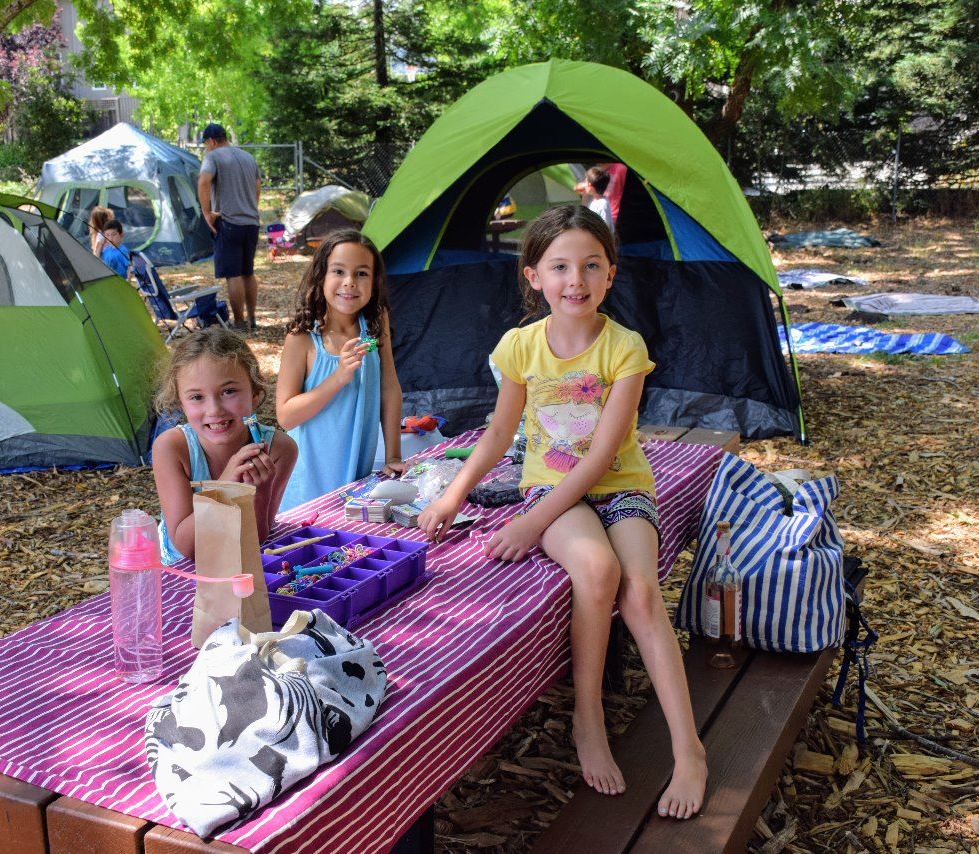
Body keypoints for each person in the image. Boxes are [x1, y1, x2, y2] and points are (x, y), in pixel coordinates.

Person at [417, 206, 707, 817]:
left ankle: (690, 750)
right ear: (534, 277)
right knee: (596, 571)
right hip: (550, 490)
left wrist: (529, 521)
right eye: (560, 267)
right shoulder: (520, 346)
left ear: (610, 276)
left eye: (590, 266)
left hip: (618, 485)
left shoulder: (624, 348)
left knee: (643, 596)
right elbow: (498, 434)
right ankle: (588, 717)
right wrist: (453, 493)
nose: (575, 279)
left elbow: (604, 455)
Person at [276, 229, 406, 512]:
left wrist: (393, 455)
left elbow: (389, 387)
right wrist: (338, 378)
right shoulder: (302, 339)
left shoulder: (373, 322)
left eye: (361, 273)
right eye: (338, 271)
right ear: (321, 275)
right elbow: (286, 417)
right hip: (309, 483)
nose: (349, 283)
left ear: (374, 281)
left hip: (356, 478)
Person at [152, 327, 297, 562]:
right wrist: (225, 487)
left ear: (255, 393)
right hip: (183, 570)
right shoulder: (171, 449)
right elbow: (189, 547)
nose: (215, 410)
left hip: (241, 559)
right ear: (181, 404)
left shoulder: (279, 450)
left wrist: (260, 493)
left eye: (228, 391)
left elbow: (257, 538)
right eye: (197, 397)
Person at [197, 123, 262, 331]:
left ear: (213, 141)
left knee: (233, 275)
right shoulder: (248, 157)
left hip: (229, 222)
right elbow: (257, 184)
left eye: (206, 144)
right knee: (248, 273)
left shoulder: (213, 157)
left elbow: (204, 181)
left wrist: (207, 213)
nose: (206, 148)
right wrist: (250, 206)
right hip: (251, 223)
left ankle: (240, 323)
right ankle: (253, 319)